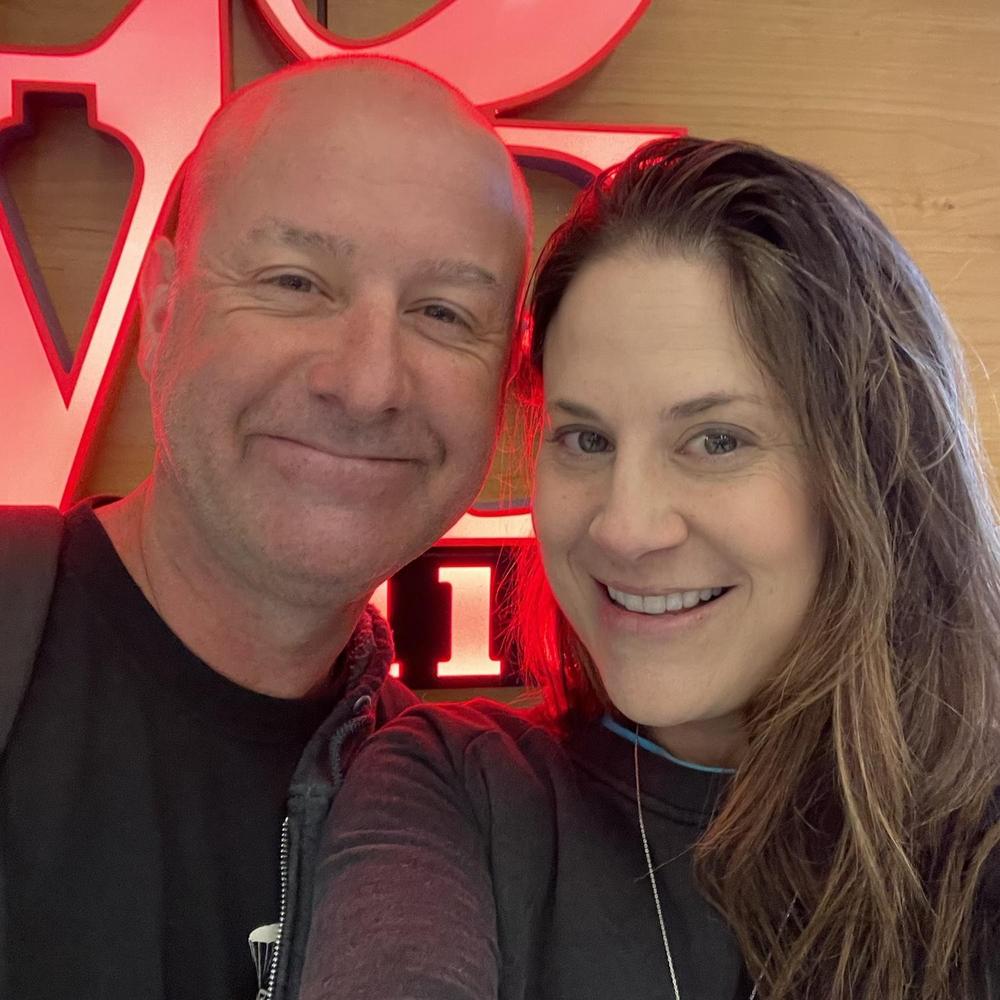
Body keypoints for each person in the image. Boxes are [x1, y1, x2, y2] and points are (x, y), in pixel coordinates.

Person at [299, 137, 1000, 1000]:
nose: (626, 529)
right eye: (587, 439)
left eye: (716, 440)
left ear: (872, 471)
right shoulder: (460, 791)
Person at [0, 56, 531, 1000]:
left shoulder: (454, 811)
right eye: (296, 282)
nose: (367, 383)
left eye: (445, 312)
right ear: (160, 314)